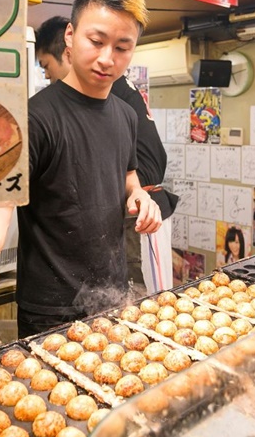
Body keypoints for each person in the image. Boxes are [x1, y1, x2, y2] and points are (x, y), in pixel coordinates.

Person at [0, 0, 162, 338]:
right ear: (70, 35)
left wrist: (139, 195)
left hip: (113, 295)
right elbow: (0, 198)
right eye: (96, 40)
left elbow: (128, 174)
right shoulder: (33, 118)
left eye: (121, 47)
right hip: (51, 308)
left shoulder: (126, 116)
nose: (106, 58)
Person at [35, 15, 178, 298]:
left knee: (136, 298)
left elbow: (148, 165)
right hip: (126, 210)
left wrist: (135, 193)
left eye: (46, 67)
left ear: (67, 50)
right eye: (97, 43)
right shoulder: (53, 109)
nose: (47, 76)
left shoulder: (114, 98)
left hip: (137, 214)